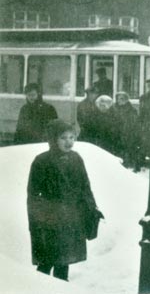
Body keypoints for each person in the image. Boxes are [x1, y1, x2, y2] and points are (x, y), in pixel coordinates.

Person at [27, 119, 103, 281]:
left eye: (71, 137)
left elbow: (85, 186)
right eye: (63, 138)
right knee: (46, 262)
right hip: (50, 219)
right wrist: (38, 219)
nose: (69, 142)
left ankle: (60, 288)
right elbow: (33, 194)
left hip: (71, 216)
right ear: (53, 139)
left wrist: (91, 208)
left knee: (64, 261)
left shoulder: (76, 158)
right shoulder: (42, 161)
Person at [113, 91, 141, 171]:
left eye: (121, 99)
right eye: (118, 99)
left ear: (126, 100)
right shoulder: (114, 108)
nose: (119, 101)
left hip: (128, 133)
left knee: (128, 149)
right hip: (116, 132)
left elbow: (134, 123)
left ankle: (130, 165)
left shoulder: (131, 110)